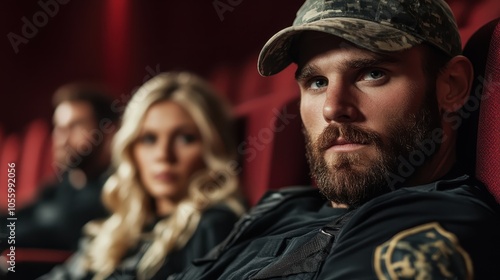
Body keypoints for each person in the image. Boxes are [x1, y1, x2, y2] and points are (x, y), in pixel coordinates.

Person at [170, 0, 500, 279]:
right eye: (316, 81)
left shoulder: (434, 222)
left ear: (452, 86)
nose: (333, 108)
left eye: (373, 74)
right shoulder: (280, 206)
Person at [39, 72, 246, 280]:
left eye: (185, 138)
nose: (163, 155)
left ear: (211, 146)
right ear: (131, 149)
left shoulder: (212, 226)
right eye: (149, 138)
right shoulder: (123, 226)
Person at [1, 83, 118, 253]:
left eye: (75, 126)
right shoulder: (64, 183)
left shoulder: (112, 192)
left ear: (108, 131)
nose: (61, 138)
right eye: (58, 127)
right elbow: (20, 216)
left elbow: (44, 232)